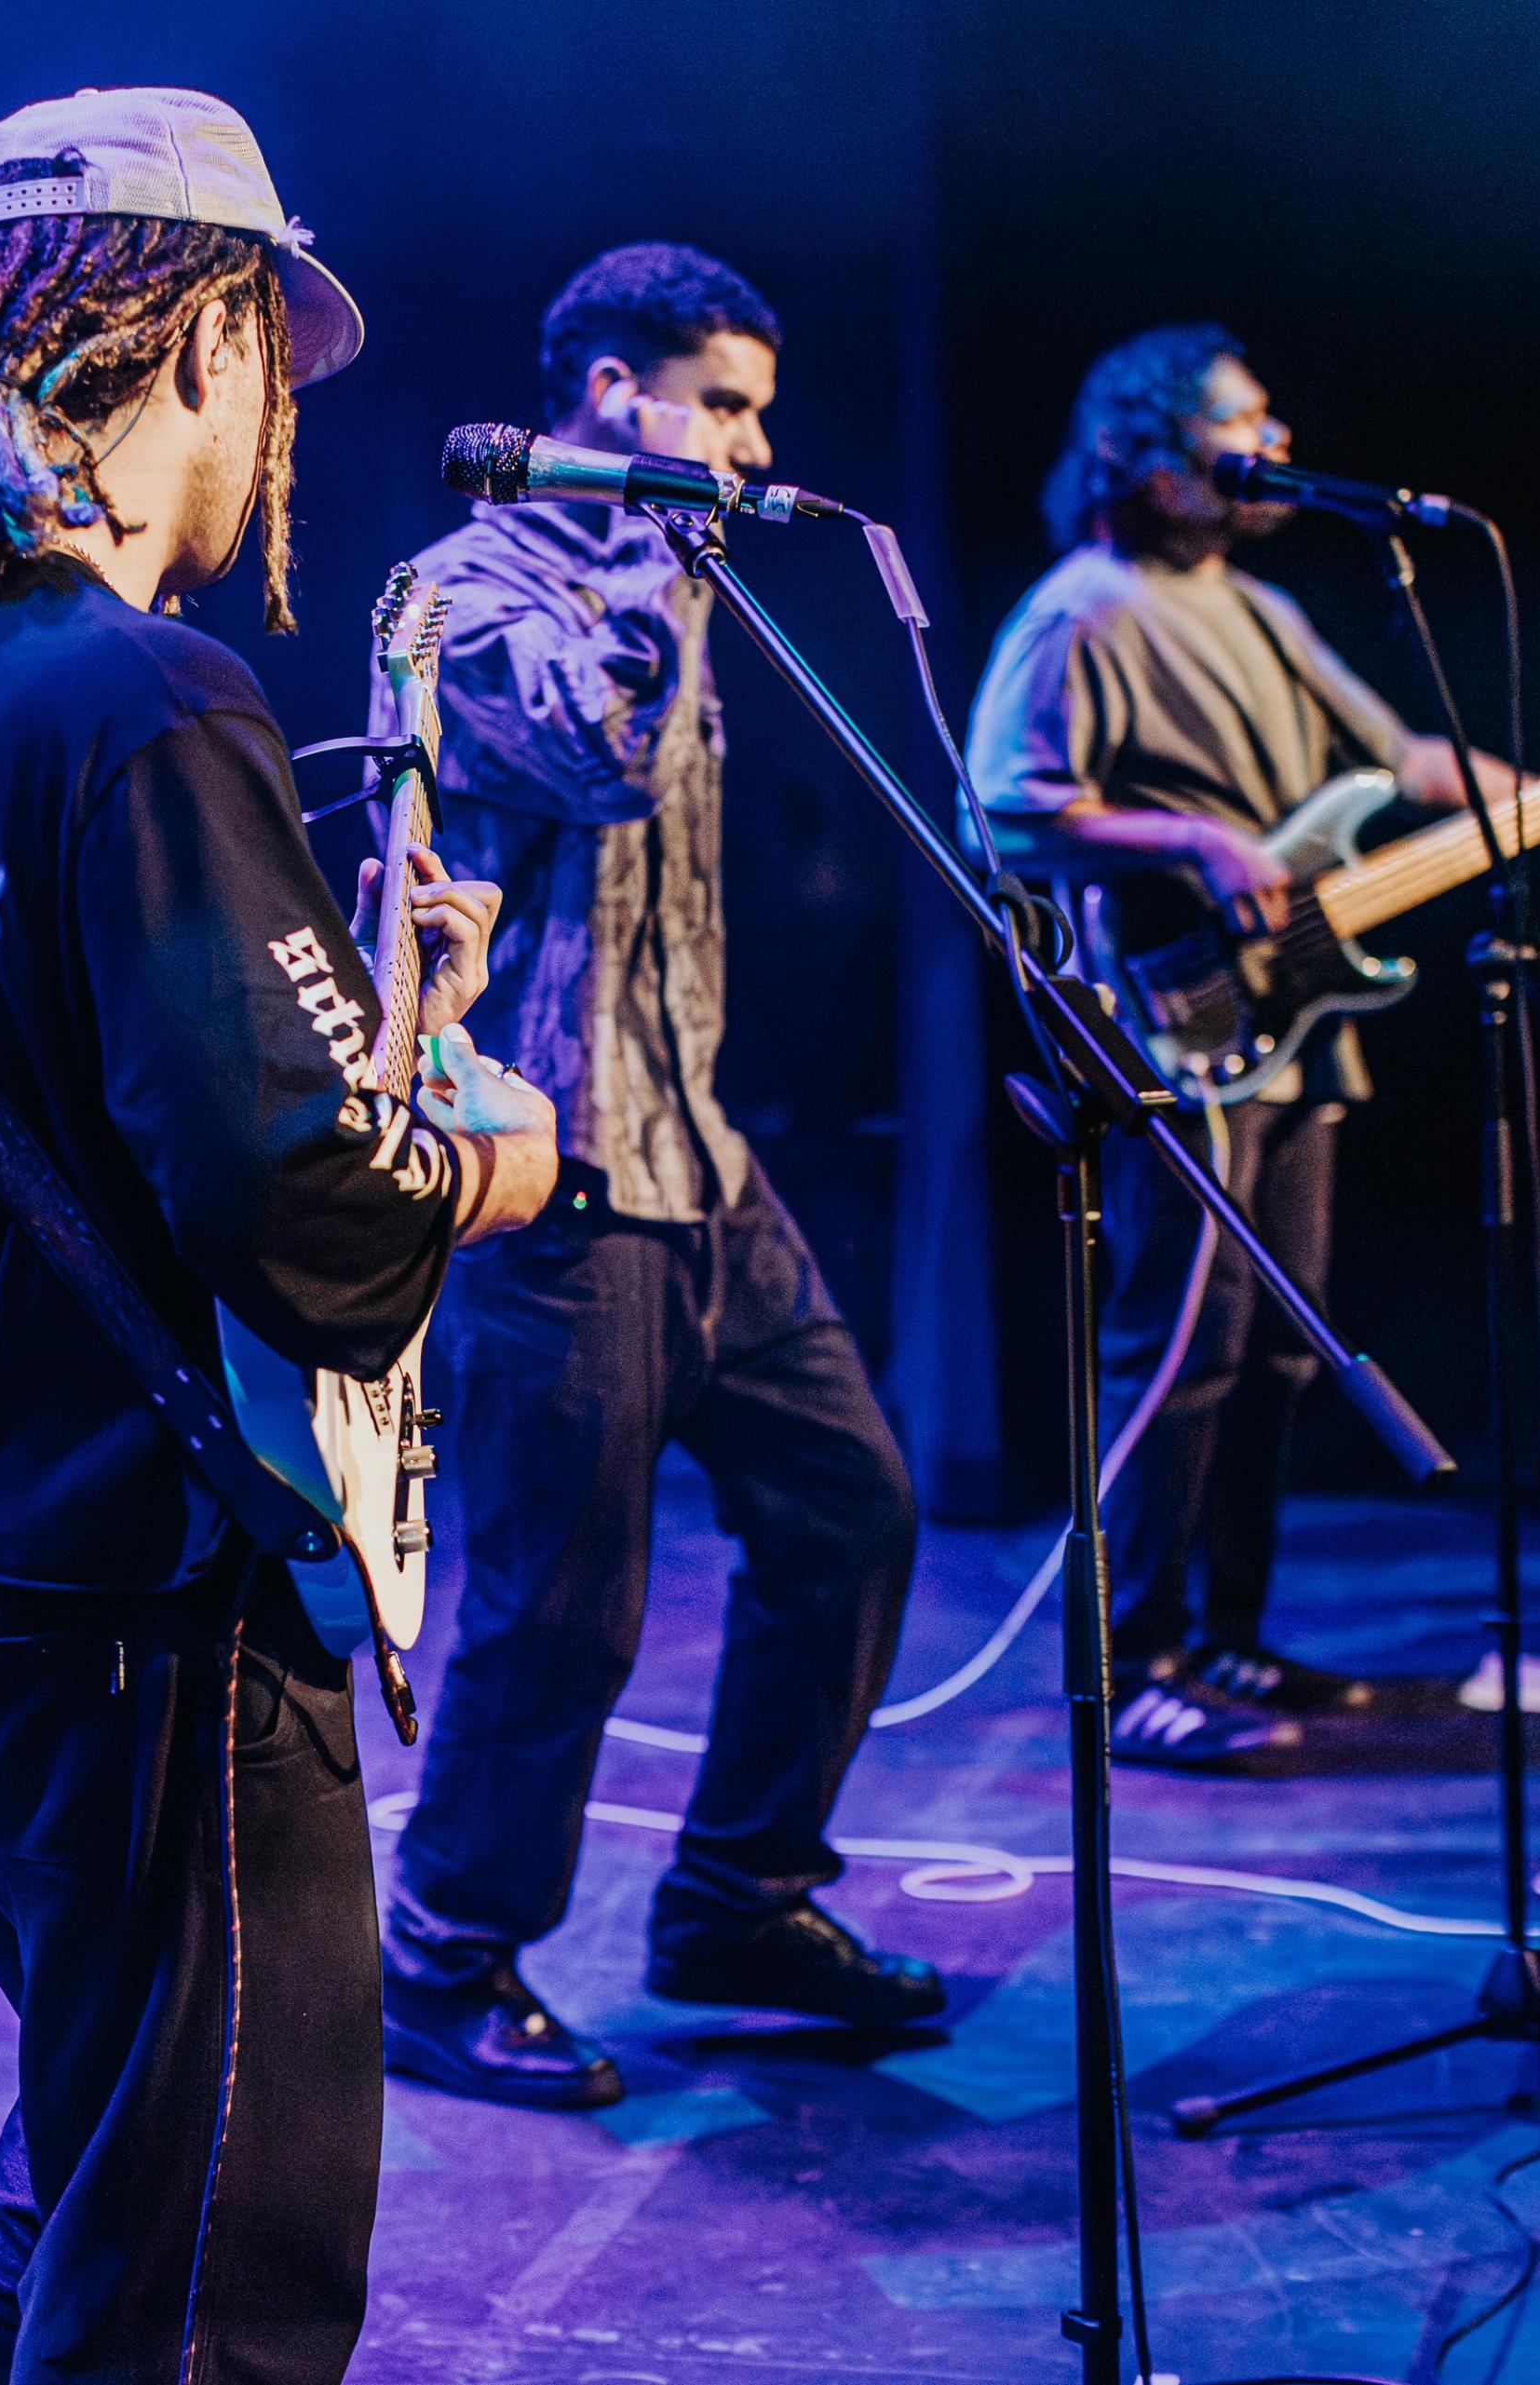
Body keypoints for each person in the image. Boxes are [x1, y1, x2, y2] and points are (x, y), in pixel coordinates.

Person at [0, 89, 559, 2384]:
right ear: (201, 334)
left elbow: (83, 1099)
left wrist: (374, 1015)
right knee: (217, 2257)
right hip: (146, 1631)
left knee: (94, 2156)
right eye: (273, 363)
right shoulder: (137, 697)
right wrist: (487, 1147)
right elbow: (311, 1215)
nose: (278, 421)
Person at [373, 242, 939, 2117]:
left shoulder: (673, 592)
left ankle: (735, 1903)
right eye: (732, 404)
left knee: (850, 1508)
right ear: (618, 396)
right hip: (547, 1177)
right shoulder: (457, 590)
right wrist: (654, 557)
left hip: (696, 1153)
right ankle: (444, 1956)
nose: (762, 442)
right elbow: (602, 764)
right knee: (561, 1611)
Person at [965, 326, 1540, 1767]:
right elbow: (1001, 806)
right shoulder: (1082, 613)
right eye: (1237, 428)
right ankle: (1138, 1655)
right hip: (1178, 1029)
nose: (1270, 448)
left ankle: (1227, 1638)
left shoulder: (1259, 607)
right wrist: (1195, 834)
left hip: (1298, 1035)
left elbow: (1399, 765)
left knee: (1282, 1352)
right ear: (1143, 460)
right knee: (1181, 1352)